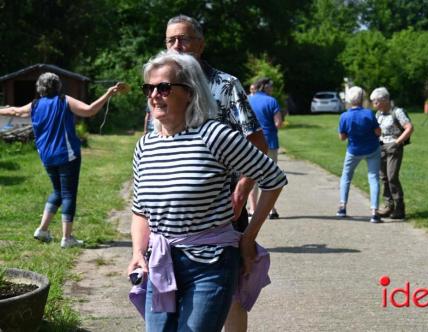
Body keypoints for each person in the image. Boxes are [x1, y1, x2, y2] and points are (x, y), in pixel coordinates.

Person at [127, 51, 287, 332]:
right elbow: (140, 209)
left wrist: (248, 238)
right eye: (149, 88)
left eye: (163, 87)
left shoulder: (214, 136)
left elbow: (273, 179)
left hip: (210, 264)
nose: (154, 95)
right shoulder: (145, 147)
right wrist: (138, 252)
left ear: (189, 92)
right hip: (161, 263)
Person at [164, 15, 268, 331]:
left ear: (201, 43)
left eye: (183, 39)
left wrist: (243, 188)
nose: (177, 46)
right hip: (172, 212)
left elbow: (258, 143)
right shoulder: (161, 85)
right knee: (174, 288)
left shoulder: (225, 85)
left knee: (231, 290)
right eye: (170, 41)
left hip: (221, 210)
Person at [0, 72, 127, 248]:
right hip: (66, 155)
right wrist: (108, 93)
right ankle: (67, 239)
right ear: (58, 86)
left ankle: (42, 230)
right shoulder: (64, 100)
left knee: (58, 192)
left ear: (40, 87)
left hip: (46, 156)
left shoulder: (35, 104)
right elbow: (89, 110)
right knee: (68, 194)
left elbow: (15, 111)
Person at [336, 86, 382, 223]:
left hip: (354, 150)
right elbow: (378, 132)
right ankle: (374, 211)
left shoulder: (344, 116)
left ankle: (342, 207)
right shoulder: (369, 114)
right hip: (372, 149)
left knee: (346, 177)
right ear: (362, 99)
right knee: (373, 178)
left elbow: (342, 137)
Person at [370, 87, 413, 219]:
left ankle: (400, 208)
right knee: (384, 177)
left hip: (394, 147)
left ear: (384, 100)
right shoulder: (378, 114)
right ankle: (388, 206)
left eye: (375, 101)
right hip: (381, 147)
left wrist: (398, 142)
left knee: (392, 176)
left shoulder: (397, 112)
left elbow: (409, 128)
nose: (374, 104)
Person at [247, 78, 283, 219]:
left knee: (251, 176)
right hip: (270, 142)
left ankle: (252, 209)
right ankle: (270, 209)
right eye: (271, 86)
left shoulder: (248, 99)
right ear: (265, 87)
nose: (272, 89)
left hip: (251, 143)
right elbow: (278, 123)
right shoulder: (271, 101)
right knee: (270, 176)